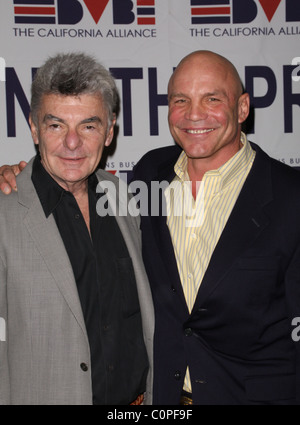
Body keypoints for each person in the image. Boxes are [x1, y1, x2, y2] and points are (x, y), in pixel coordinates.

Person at [2, 50, 300, 405]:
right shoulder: (148, 177)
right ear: (35, 128)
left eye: (212, 99)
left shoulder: (290, 196)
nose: (194, 114)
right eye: (180, 100)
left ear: (243, 108)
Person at [0, 52, 154, 405]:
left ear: (109, 131)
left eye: (88, 125)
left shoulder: (125, 198)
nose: (72, 143)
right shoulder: (5, 210)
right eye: (56, 125)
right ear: (34, 129)